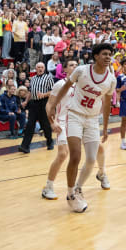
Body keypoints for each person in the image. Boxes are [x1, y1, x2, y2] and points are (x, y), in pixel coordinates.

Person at [47, 43, 116, 213]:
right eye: (105, 54)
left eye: (110, 54)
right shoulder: (82, 71)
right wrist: (54, 106)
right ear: (96, 56)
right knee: (75, 155)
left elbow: (107, 104)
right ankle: (70, 194)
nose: (108, 57)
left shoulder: (111, 79)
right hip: (75, 116)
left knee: (92, 159)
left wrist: (105, 127)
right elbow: (64, 88)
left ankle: (78, 188)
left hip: (93, 120)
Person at [41, 60, 78, 200]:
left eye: (76, 65)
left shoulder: (81, 84)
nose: (74, 67)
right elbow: (49, 105)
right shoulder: (60, 84)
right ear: (65, 69)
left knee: (78, 155)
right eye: (71, 65)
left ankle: (74, 188)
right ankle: (48, 187)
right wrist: (52, 122)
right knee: (63, 154)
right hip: (62, 121)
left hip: (77, 122)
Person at [19, 62, 54, 153]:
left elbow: (53, 91)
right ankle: (25, 146)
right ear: (36, 68)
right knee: (30, 124)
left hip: (44, 103)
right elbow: (30, 92)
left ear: (44, 68)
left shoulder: (48, 78)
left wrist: (44, 94)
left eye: (42, 67)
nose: (40, 68)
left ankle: (50, 141)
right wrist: (26, 101)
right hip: (33, 103)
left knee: (45, 124)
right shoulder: (33, 78)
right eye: (38, 67)